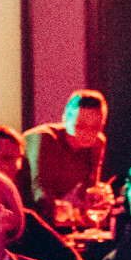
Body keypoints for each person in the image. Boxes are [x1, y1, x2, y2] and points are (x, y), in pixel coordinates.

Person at [25, 89, 108, 221]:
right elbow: (38, 189)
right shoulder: (43, 138)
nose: (88, 133)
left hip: (52, 215)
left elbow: (89, 189)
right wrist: (56, 207)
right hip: (22, 209)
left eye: (95, 127)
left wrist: (98, 198)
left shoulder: (97, 143)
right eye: (80, 126)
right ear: (65, 118)